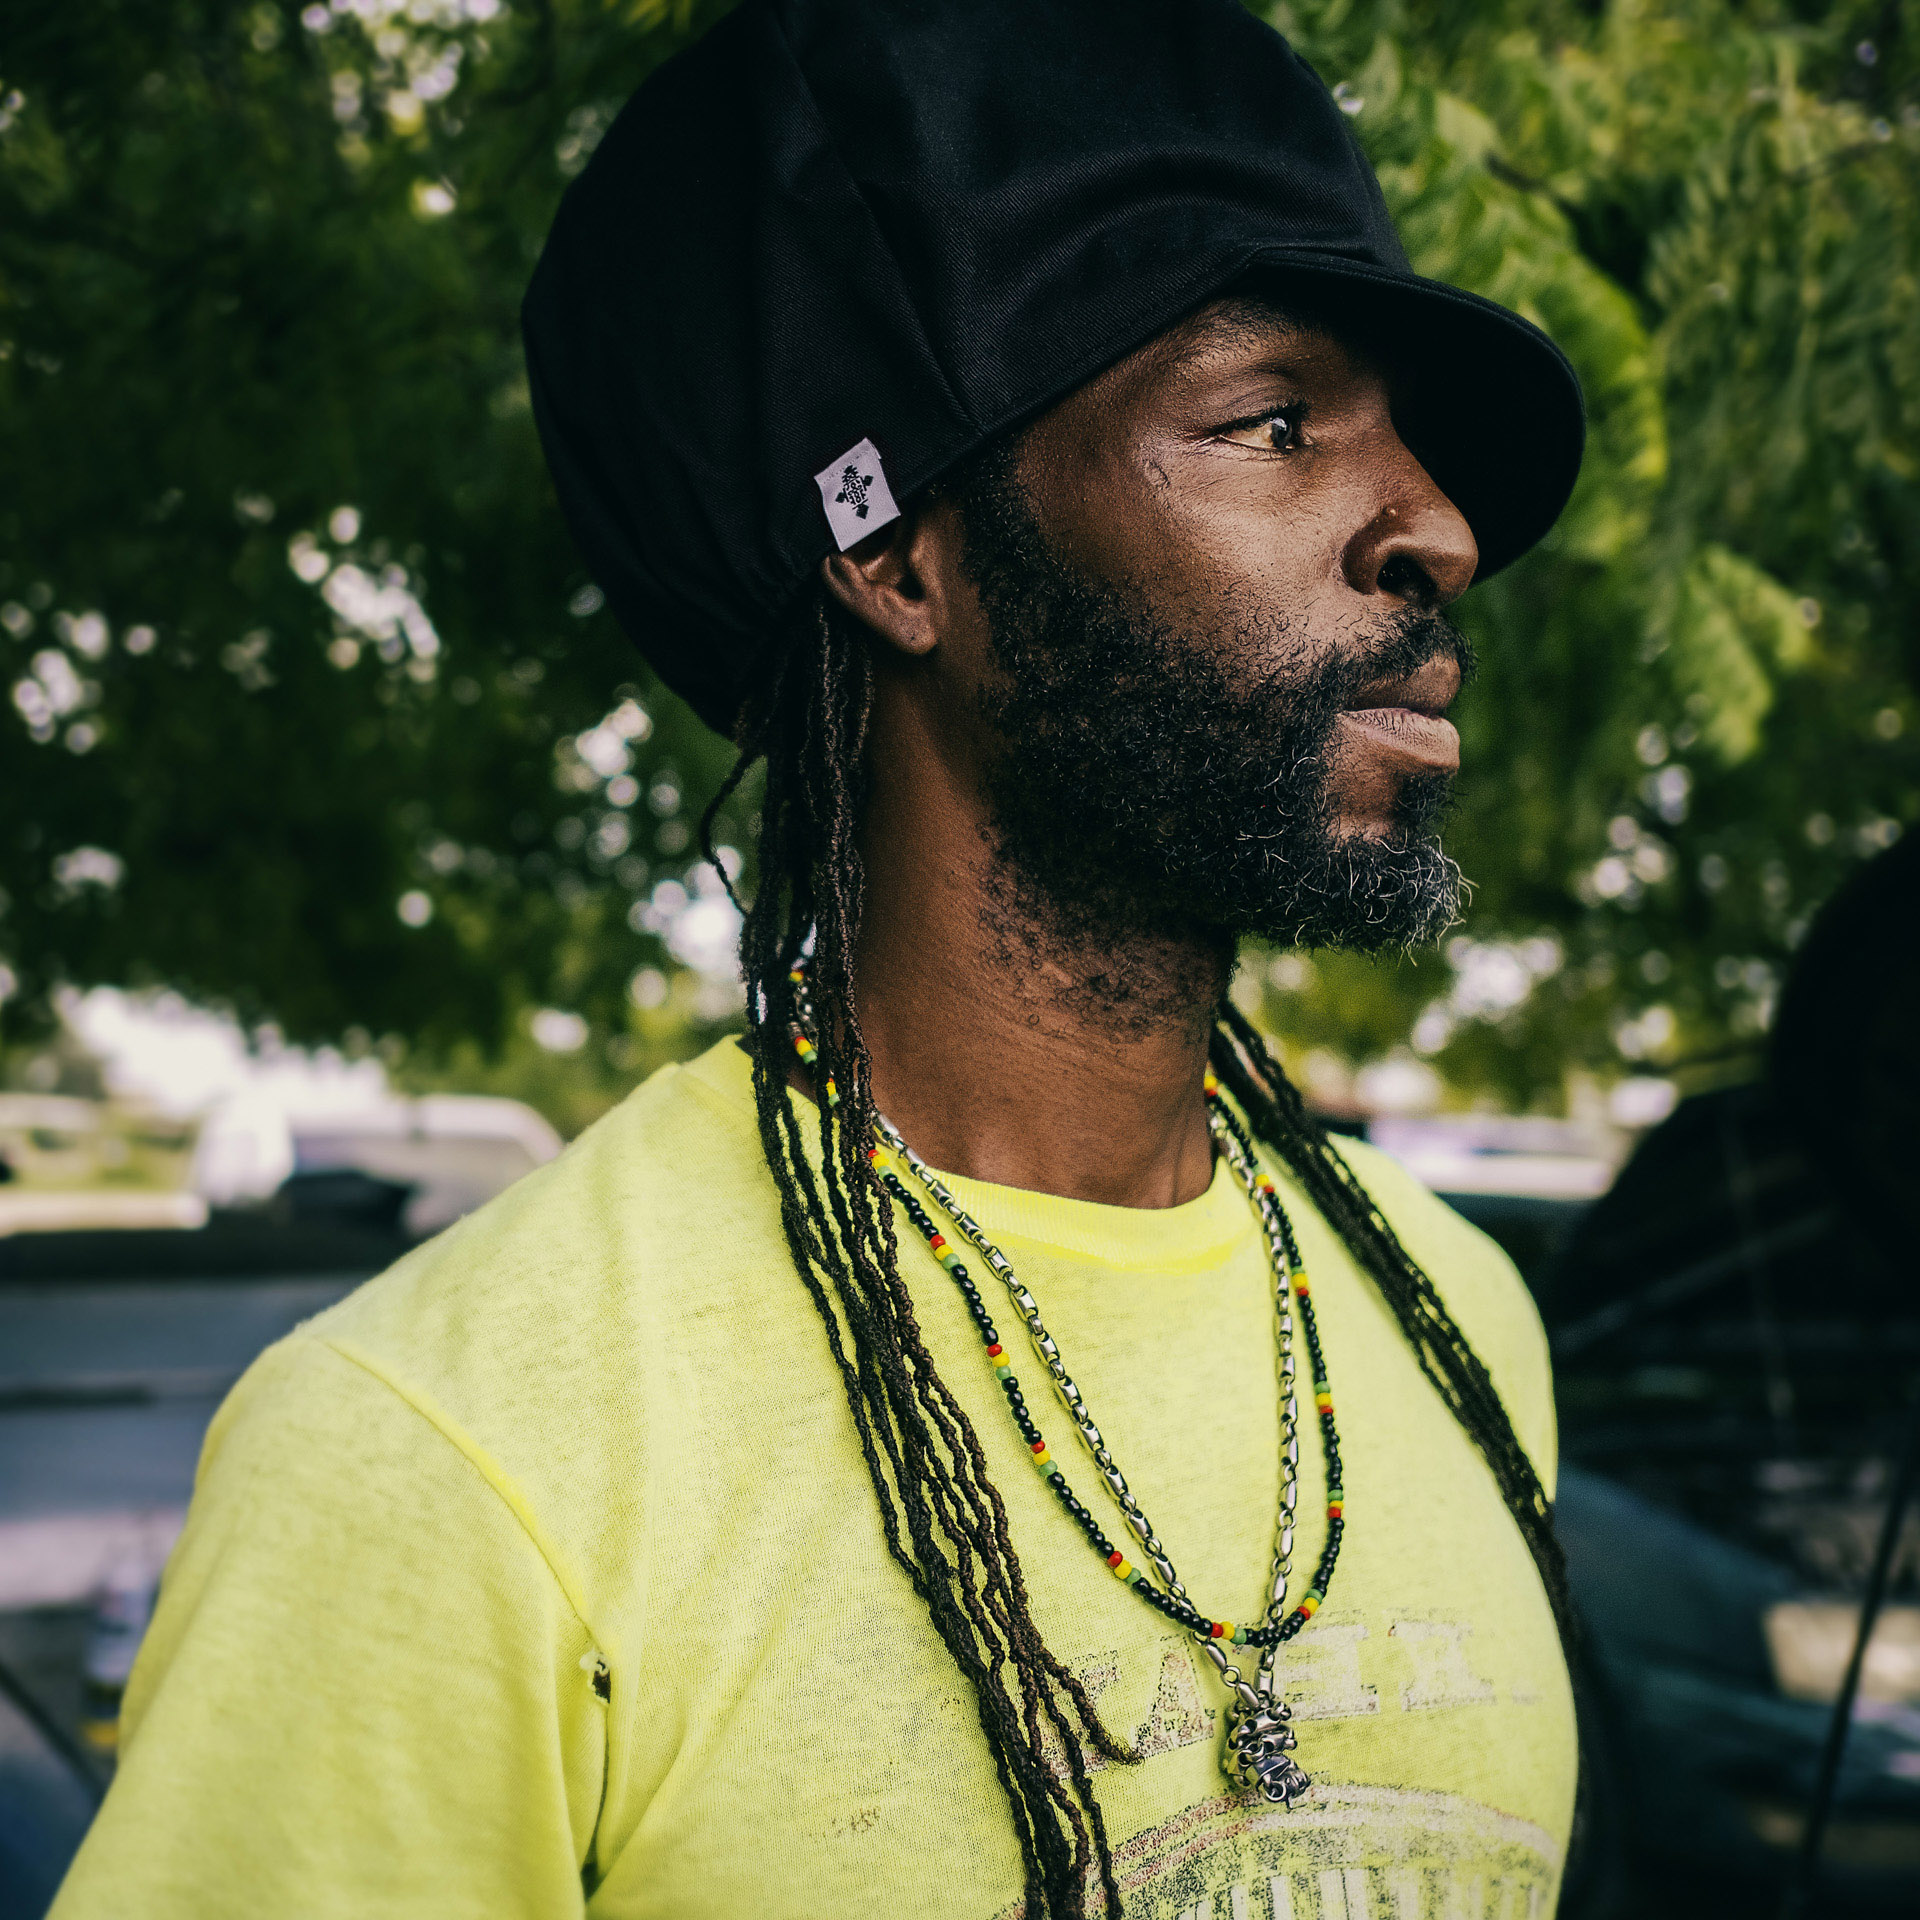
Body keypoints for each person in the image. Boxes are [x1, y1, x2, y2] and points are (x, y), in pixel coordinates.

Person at [51, 2, 1587, 1915]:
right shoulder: (454, 1452)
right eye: (1273, 421)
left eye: (1412, 442)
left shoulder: (1454, 1323)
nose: (1436, 527)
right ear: (900, 557)